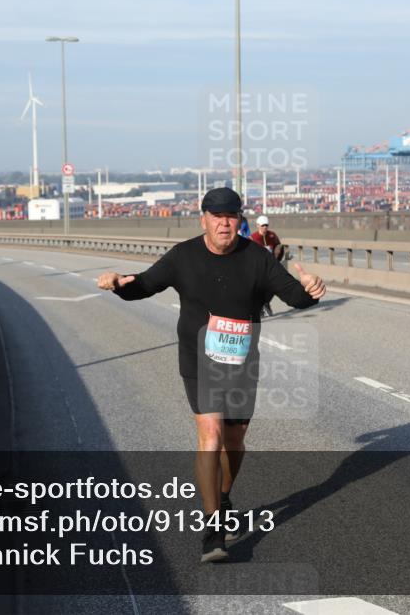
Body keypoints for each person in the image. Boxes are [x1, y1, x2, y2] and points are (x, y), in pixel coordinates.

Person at [97, 187, 326, 562]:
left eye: (231, 216)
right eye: (216, 216)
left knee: (234, 440)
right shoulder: (183, 256)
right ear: (203, 219)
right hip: (198, 358)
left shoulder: (257, 258)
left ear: (240, 220)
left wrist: (312, 289)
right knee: (211, 434)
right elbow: (144, 285)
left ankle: (221, 495)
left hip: (240, 361)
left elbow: (294, 296)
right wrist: (119, 283)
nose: (224, 223)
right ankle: (212, 529)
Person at [249, 215, 284, 317]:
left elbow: (279, 247)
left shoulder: (272, 236)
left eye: (266, 226)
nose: (264, 228)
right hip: (257, 267)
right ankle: (259, 307)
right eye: (262, 225)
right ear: (258, 226)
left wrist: (279, 254)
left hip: (271, 266)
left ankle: (266, 302)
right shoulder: (253, 238)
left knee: (274, 285)